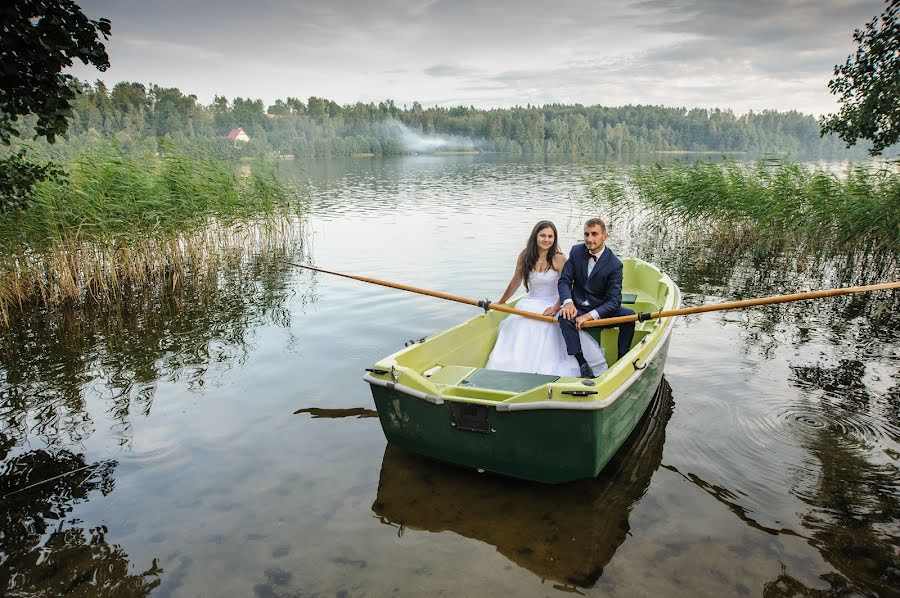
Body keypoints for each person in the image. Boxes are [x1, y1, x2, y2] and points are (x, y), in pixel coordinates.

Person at [485, 221, 607, 378]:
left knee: (546, 325)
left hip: (553, 302)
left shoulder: (559, 259)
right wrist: (501, 302)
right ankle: (516, 366)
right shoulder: (525, 256)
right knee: (519, 322)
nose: (546, 239)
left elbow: (566, 285)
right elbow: (516, 280)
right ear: (535, 236)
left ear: (554, 239)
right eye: (543, 235)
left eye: (550, 236)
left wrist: (558, 306)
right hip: (530, 301)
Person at [558, 218, 635, 379]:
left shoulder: (615, 264)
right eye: (586, 234)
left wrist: (590, 316)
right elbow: (564, 281)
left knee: (629, 317)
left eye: (594, 234)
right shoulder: (576, 251)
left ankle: (621, 359)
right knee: (564, 317)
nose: (589, 239)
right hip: (578, 305)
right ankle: (582, 362)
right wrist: (568, 302)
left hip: (601, 308)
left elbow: (614, 301)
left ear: (605, 236)